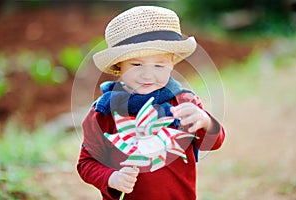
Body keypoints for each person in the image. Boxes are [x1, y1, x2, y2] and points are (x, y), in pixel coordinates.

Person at [77, 6, 225, 200]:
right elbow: (86, 163)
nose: (147, 74)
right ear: (118, 67)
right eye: (136, 64)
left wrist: (206, 121)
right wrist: (111, 178)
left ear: (172, 63)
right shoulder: (103, 112)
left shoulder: (184, 103)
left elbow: (214, 142)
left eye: (159, 65)